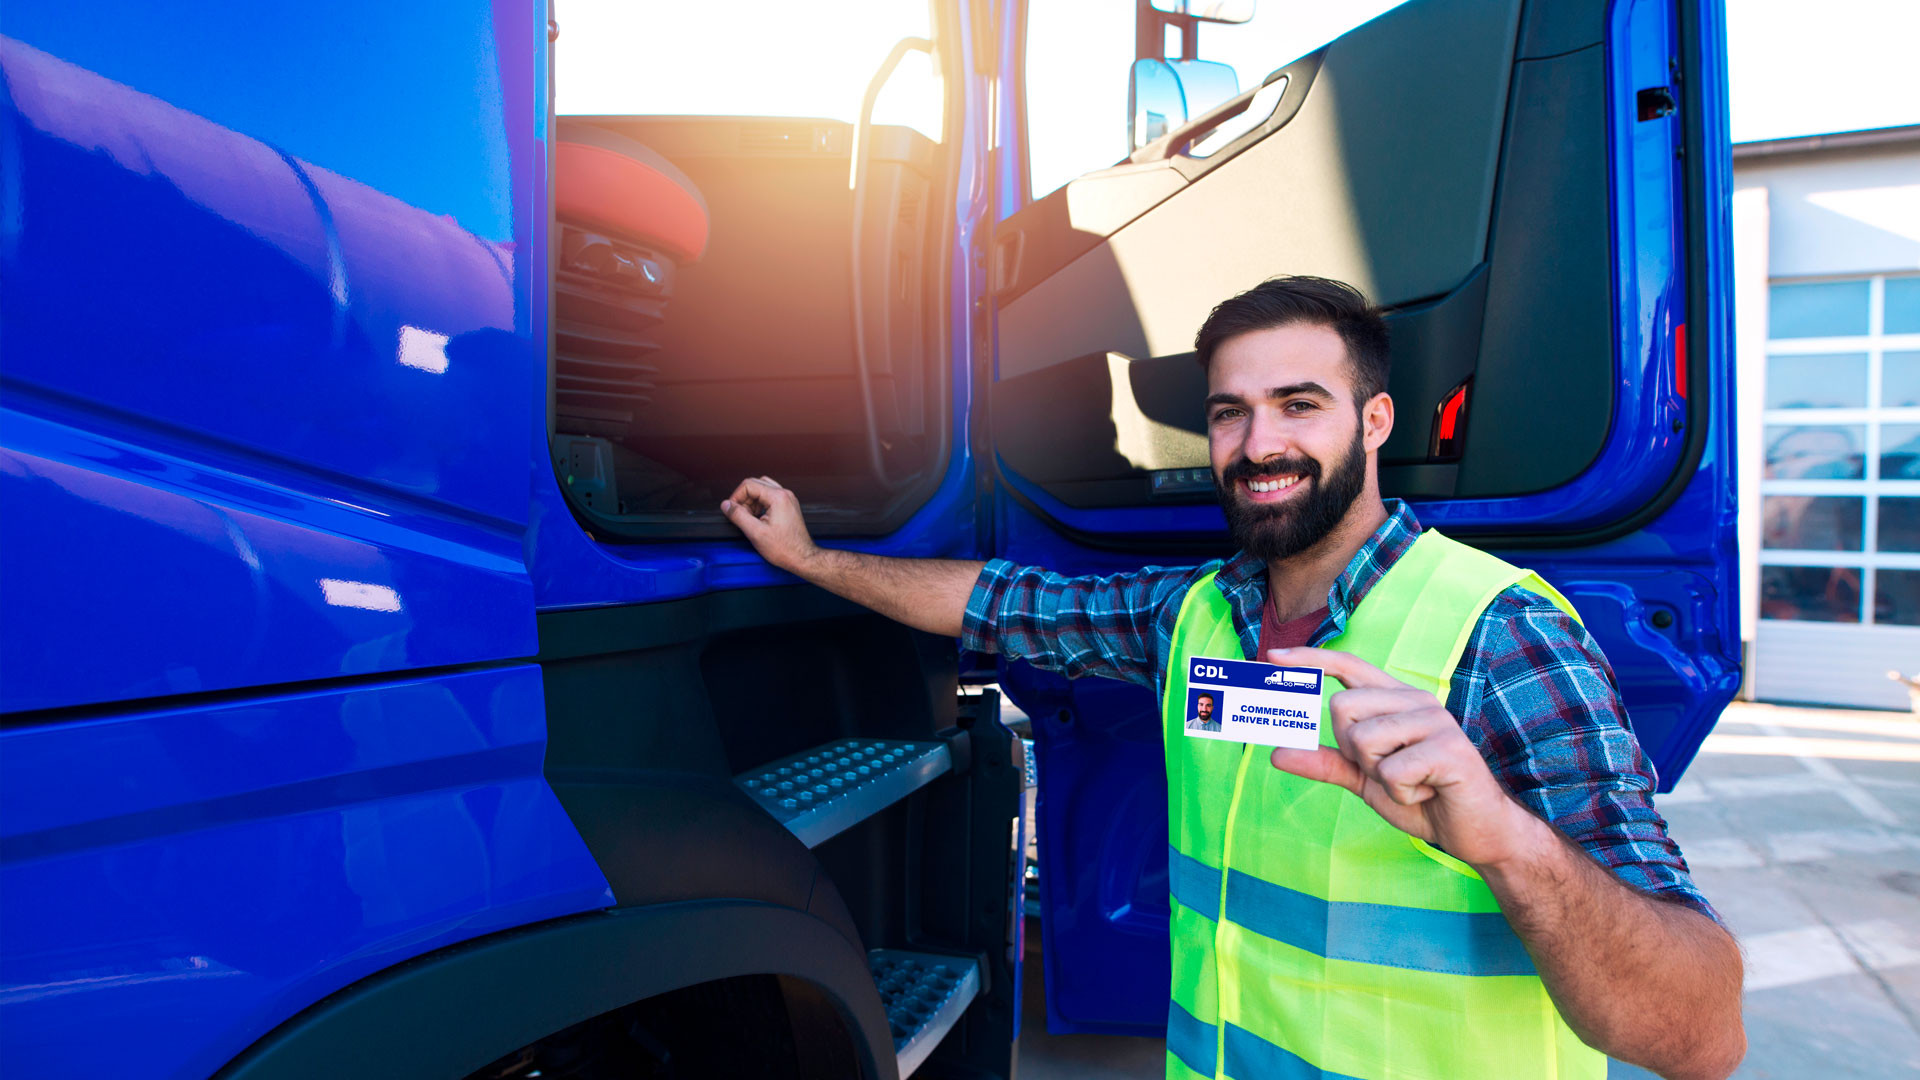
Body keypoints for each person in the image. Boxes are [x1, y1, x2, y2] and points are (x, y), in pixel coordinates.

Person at [721, 276, 1744, 1080]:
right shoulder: (1194, 614)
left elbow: (1700, 1036)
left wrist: (1508, 842)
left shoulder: (1499, 637)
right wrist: (815, 562)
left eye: (1299, 405)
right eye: (1230, 413)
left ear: (1376, 421)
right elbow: (1000, 598)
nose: (1261, 446)